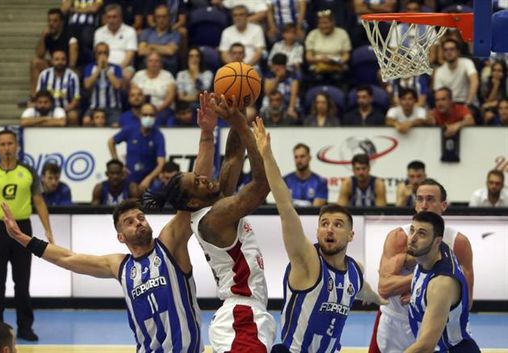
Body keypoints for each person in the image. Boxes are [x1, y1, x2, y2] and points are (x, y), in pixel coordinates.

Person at [0, 91, 219, 352]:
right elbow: (67, 259)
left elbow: (195, 187)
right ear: (121, 237)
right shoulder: (119, 265)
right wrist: (24, 239)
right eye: (129, 222)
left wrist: (207, 135)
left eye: (140, 217)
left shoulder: (169, 243)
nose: (138, 222)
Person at [252, 118, 385, 353]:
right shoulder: (306, 261)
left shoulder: (355, 270)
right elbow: (285, 205)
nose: (329, 229)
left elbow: (363, 290)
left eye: (337, 224)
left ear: (351, 235)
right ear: (317, 231)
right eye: (324, 224)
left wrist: (382, 300)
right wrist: (266, 155)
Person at [158, 97, 276, 352]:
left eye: (198, 175)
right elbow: (263, 184)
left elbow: (234, 156)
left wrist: (238, 105)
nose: (204, 178)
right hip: (242, 316)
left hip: (242, 315)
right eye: (197, 182)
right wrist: (242, 125)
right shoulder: (215, 217)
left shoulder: (217, 204)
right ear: (191, 201)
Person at [368, 178, 474, 353]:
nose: (424, 205)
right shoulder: (399, 237)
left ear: (444, 205)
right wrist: (421, 288)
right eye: (419, 199)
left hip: (437, 323)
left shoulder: (458, 242)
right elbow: (384, 288)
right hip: (396, 322)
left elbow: (467, 299)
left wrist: (428, 297)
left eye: (430, 199)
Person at [0, 130, 54, 341]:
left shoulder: (28, 171)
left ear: (16, 146)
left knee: (22, 281)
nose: (7, 147)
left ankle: (25, 327)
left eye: (10, 143)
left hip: (23, 229)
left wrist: (48, 229)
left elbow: (39, 202)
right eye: (2, 144)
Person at [405, 212, 480, 353]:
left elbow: (425, 346)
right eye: (412, 230)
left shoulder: (441, 284)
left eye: (422, 234)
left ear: (437, 241)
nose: (412, 238)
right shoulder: (430, 253)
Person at [108, 102, 166, 191]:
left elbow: (161, 163)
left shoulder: (158, 135)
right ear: (139, 115)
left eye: (151, 115)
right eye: (145, 115)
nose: (148, 118)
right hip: (130, 177)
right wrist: (119, 164)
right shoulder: (130, 129)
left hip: (149, 179)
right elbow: (111, 142)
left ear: (156, 117)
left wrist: (149, 179)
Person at [30, 8, 78, 97]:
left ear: (61, 22)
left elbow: (74, 49)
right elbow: (39, 54)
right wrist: (43, 37)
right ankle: (34, 96)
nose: (51, 24)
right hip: (55, 64)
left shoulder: (69, 33)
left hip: (69, 66)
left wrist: (71, 68)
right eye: (49, 21)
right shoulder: (48, 35)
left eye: (55, 21)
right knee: (35, 62)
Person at [305, 9, 351, 84]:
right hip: (317, 67)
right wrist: (321, 60)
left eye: (326, 23)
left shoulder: (342, 33)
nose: (324, 26)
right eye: (321, 23)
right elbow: (309, 57)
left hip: (337, 67)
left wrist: (336, 62)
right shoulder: (312, 34)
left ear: (333, 22)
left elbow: (346, 55)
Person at [36, 50, 81, 126]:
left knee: (73, 116)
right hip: (47, 109)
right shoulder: (44, 75)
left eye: (63, 59)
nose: (60, 62)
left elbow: (76, 99)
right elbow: (39, 95)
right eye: (57, 59)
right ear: (52, 61)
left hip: (67, 109)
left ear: (66, 61)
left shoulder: (73, 76)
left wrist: (62, 111)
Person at [83, 42, 123, 127]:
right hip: (94, 107)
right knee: (86, 121)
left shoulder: (116, 68)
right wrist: (98, 69)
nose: (102, 56)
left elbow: (117, 85)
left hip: (113, 107)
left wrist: (106, 69)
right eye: (99, 53)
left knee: (116, 125)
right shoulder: (89, 67)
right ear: (95, 55)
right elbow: (87, 85)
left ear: (108, 55)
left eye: (105, 53)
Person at [94, 4, 137, 82]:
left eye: (114, 17)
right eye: (109, 17)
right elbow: (98, 54)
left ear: (120, 17)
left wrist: (117, 69)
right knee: (92, 73)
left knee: (126, 75)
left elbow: (130, 55)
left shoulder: (130, 31)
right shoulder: (99, 32)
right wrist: (105, 68)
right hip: (103, 66)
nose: (111, 20)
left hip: (125, 67)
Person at [131, 52, 176, 126]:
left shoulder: (167, 76)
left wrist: (156, 110)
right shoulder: (139, 75)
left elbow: (170, 97)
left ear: (161, 63)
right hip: (141, 109)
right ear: (146, 63)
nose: (153, 63)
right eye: (150, 61)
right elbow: (133, 93)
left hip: (163, 109)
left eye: (156, 61)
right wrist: (144, 110)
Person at [433, 38, 479, 106]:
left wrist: (467, 104)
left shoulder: (467, 62)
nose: (449, 52)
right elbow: (439, 93)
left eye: (452, 49)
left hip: (468, 103)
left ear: (458, 51)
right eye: (446, 50)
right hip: (450, 106)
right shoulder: (439, 71)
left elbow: (474, 82)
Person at [138, 4, 181, 74]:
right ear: (155, 18)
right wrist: (163, 48)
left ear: (169, 17)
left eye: (164, 17)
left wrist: (152, 46)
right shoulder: (146, 32)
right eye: (158, 17)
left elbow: (170, 51)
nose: (161, 20)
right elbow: (141, 51)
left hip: (167, 68)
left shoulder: (175, 34)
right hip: (147, 68)